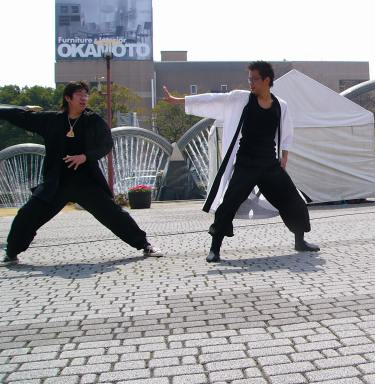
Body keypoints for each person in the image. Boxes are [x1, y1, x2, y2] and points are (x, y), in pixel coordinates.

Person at [163, 61, 319, 262]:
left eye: (255, 79)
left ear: (267, 80)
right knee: (229, 203)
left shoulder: (281, 106)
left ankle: (300, 241)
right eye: (249, 79)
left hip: (269, 163)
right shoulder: (242, 99)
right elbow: (214, 100)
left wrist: (285, 156)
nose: (251, 83)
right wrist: (178, 100)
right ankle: (215, 248)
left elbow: (286, 131)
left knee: (292, 199)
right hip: (246, 163)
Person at [1, 81, 163, 265]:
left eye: (86, 94)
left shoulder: (93, 120)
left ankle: (145, 245)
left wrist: (85, 157)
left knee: (114, 215)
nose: (84, 98)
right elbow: (22, 117)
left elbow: (106, 144)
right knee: (27, 215)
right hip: (57, 183)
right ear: (68, 98)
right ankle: (11, 253)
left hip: (86, 182)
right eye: (79, 94)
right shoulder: (51, 120)